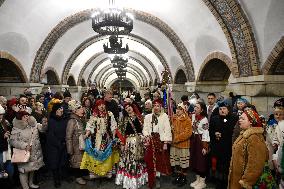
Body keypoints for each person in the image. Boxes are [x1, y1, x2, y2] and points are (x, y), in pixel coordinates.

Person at [228, 108, 268, 188]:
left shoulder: (254, 138)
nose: (239, 120)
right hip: (237, 179)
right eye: (240, 118)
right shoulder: (244, 134)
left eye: (243, 119)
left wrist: (246, 182)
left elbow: (255, 164)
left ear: (250, 122)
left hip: (243, 183)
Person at [80, 99, 119, 178]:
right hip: (96, 139)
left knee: (107, 155)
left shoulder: (109, 114)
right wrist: (87, 134)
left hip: (107, 138)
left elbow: (113, 126)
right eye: (99, 105)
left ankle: (107, 173)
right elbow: (90, 126)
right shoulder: (94, 115)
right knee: (96, 154)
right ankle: (96, 174)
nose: (101, 106)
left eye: (103, 104)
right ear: (97, 106)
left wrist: (114, 136)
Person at [10, 110, 47, 189]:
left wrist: (44, 124)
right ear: (20, 118)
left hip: (34, 152)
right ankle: (25, 187)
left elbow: (43, 130)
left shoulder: (34, 124)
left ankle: (30, 183)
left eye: (27, 116)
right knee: (23, 171)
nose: (27, 118)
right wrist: (24, 145)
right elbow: (12, 141)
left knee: (32, 169)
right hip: (23, 153)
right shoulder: (17, 128)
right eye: (24, 116)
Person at [115, 102, 147, 189]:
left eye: (129, 106)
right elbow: (120, 132)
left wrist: (144, 139)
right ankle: (130, 181)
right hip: (129, 143)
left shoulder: (140, 117)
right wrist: (122, 143)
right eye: (126, 108)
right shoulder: (124, 119)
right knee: (130, 160)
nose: (128, 108)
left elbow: (145, 129)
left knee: (139, 159)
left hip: (139, 142)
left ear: (132, 107)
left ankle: (140, 179)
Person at [143, 99, 172, 188]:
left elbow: (167, 130)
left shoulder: (164, 116)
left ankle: (158, 177)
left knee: (160, 160)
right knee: (150, 160)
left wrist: (166, 142)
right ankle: (151, 177)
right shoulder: (148, 116)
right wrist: (147, 136)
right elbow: (145, 128)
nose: (156, 108)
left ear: (161, 107)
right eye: (154, 106)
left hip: (160, 141)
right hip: (151, 140)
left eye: (158, 106)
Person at [209, 101, 238, 188]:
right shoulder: (215, 118)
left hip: (229, 147)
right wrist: (215, 133)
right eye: (220, 109)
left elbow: (235, 132)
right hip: (217, 146)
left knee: (227, 166)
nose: (222, 110)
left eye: (224, 109)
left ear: (228, 110)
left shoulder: (234, 118)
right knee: (218, 166)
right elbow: (210, 131)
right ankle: (218, 182)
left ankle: (227, 183)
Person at [46, 102, 68, 188]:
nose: (61, 110)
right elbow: (51, 135)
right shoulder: (51, 120)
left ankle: (63, 176)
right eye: (59, 109)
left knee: (62, 162)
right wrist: (59, 144)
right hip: (54, 146)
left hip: (63, 143)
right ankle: (56, 180)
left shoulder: (64, 119)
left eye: (61, 108)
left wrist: (64, 142)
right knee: (54, 163)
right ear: (55, 110)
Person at [66, 100, 88, 185]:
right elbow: (68, 137)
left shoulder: (80, 119)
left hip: (81, 144)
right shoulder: (72, 121)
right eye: (79, 108)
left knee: (81, 160)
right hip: (75, 146)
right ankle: (77, 177)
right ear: (75, 110)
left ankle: (82, 175)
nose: (82, 109)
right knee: (76, 162)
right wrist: (70, 150)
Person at [170, 103, 192, 187]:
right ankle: (179, 175)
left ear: (183, 110)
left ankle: (184, 177)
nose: (178, 110)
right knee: (176, 161)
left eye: (180, 109)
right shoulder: (173, 118)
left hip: (183, 144)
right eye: (177, 109)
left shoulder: (187, 120)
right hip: (174, 145)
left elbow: (188, 133)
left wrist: (177, 138)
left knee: (183, 162)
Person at [190, 101, 210, 189]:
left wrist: (205, 146)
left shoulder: (204, 119)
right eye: (195, 107)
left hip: (201, 141)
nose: (195, 108)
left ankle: (202, 181)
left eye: (197, 107)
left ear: (202, 110)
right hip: (194, 140)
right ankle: (197, 179)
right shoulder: (193, 116)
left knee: (201, 161)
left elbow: (206, 132)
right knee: (195, 160)